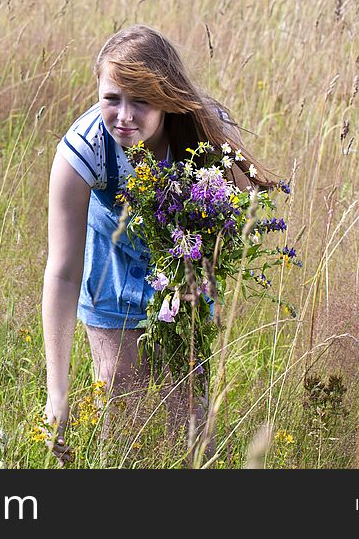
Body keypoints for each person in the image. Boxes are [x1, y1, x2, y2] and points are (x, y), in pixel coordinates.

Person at [42, 24, 269, 465]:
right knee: (118, 402)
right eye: (112, 98)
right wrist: (57, 393)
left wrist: (203, 254)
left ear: (166, 97)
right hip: (111, 271)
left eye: (140, 100)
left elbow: (242, 207)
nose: (124, 115)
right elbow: (62, 271)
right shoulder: (85, 149)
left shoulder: (205, 130)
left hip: (181, 275)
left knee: (188, 419)